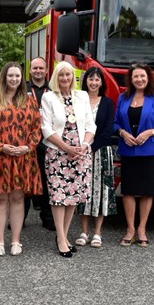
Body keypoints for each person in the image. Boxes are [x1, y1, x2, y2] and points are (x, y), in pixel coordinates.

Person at [0, 62, 42, 256]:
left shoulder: (30, 101)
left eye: (17, 76)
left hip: (23, 157)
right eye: (10, 75)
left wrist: (28, 147)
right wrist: (2, 146)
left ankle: (15, 241)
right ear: (3, 77)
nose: (14, 79)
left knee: (17, 197)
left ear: (22, 78)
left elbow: (37, 127)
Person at [114, 63, 154, 248]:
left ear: (148, 78)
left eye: (142, 76)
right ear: (130, 79)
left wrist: (149, 133)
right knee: (128, 190)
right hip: (129, 149)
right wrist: (123, 133)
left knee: (148, 191)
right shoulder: (124, 98)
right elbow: (115, 124)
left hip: (151, 151)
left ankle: (142, 229)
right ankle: (130, 229)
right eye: (135, 77)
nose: (139, 79)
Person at [42, 61, 96, 258]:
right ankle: (60, 238)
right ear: (56, 77)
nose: (65, 78)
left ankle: (64, 236)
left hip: (80, 153)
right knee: (58, 197)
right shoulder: (48, 97)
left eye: (69, 75)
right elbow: (46, 129)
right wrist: (66, 148)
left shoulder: (81, 96)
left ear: (74, 77)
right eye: (62, 75)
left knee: (73, 196)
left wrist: (84, 145)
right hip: (58, 153)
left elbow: (91, 125)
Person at [75, 67, 117, 249]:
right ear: (85, 82)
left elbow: (107, 130)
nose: (93, 83)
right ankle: (84, 231)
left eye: (97, 80)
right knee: (84, 191)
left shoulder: (107, 103)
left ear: (102, 83)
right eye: (90, 79)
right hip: (80, 152)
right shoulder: (78, 101)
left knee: (101, 193)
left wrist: (90, 147)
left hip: (101, 152)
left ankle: (98, 232)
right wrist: (81, 148)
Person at [26, 57, 55, 231]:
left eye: (41, 68)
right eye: (35, 68)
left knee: (46, 181)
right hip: (26, 141)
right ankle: (20, 217)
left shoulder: (52, 91)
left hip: (47, 142)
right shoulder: (22, 89)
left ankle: (47, 216)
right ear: (30, 70)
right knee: (24, 181)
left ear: (46, 71)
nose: (38, 71)